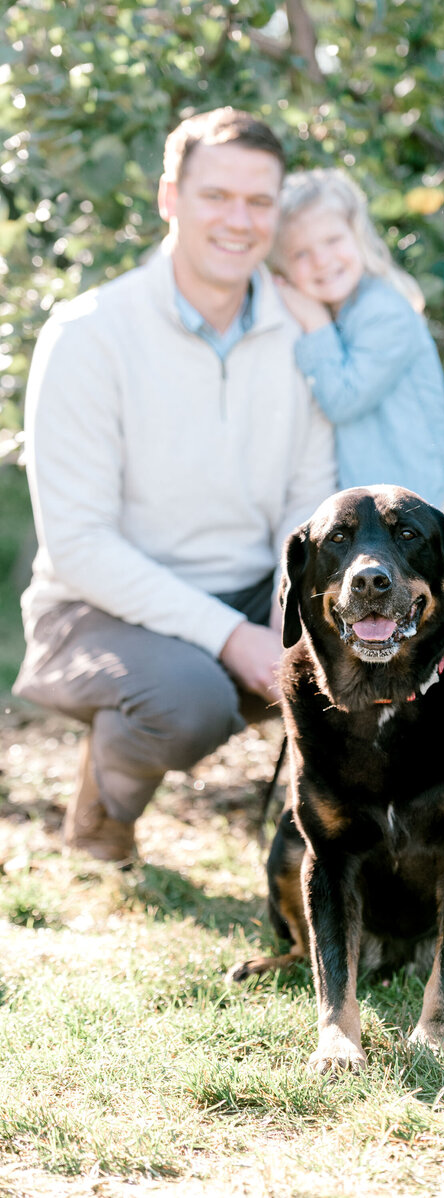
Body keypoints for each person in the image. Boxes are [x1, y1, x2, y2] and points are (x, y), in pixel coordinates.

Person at [13, 108, 336, 863]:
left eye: (260, 202)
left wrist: (295, 621)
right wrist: (234, 640)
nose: (239, 219)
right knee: (188, 701)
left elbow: (308, 505)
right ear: (169, 199)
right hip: (99, 609)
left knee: (390, 612)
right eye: (216, 195)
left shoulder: (302, 337)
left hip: (256, 588)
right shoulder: (89, 333)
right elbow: (82, 544)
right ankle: (106, 805)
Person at [266, 166, 444, 635]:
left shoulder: (383, 311)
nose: (321, 261)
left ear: (359, 236)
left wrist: (313, 325)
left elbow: (344, 399)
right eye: (301, 254)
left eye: (333, 241)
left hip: (426, 498)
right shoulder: (347, 314)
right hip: (385, 514)